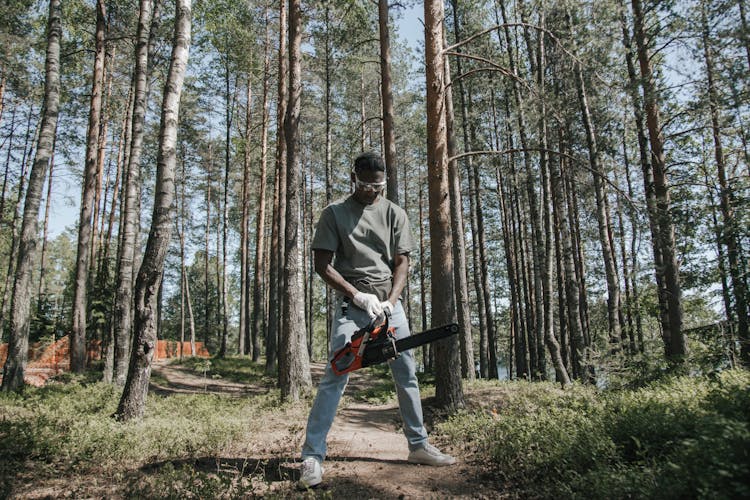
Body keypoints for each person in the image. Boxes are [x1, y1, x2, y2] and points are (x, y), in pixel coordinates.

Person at [298, 152, 455, 489]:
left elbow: (402, 262)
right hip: (351, 304)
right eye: (366, 183)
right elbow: (322, 264)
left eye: (378, 184)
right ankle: (312, 456)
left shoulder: (394, 213)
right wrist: (357, 296)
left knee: (407, 373)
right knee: (336, 373)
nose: (372, 190)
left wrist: (390, 302)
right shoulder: (335, 214)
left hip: (388, 304)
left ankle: (418, 445)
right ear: (353, 177)